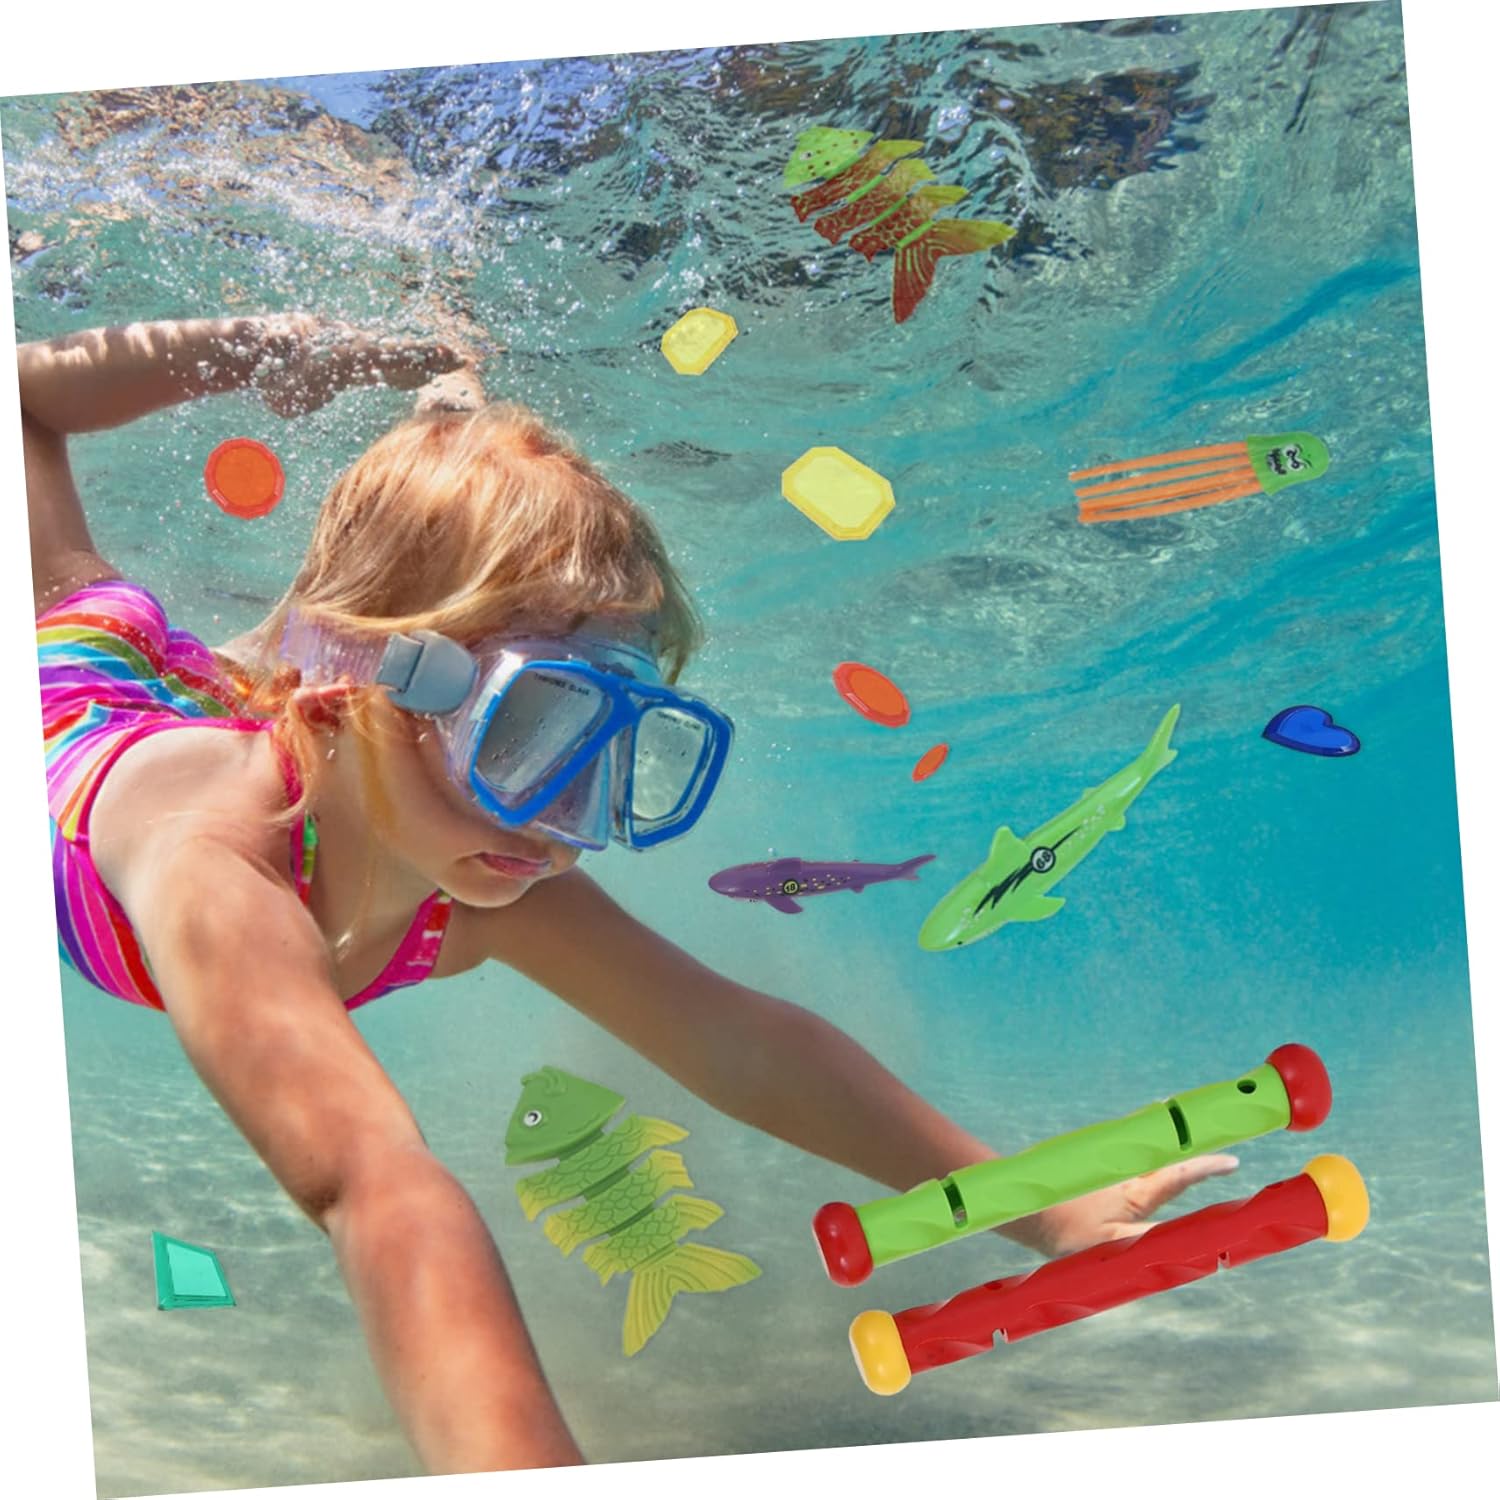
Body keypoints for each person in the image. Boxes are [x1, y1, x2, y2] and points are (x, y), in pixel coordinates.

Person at [20, 313, 1236, 1475]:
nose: (563, 821)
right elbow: (376, 1182)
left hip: (311, 699)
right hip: (87, 695)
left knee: (314, 653)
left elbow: (742, 1043)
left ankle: (447, 440)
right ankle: (358, 364)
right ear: (372, 683)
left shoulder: (484, 871)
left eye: (614, 755)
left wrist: (1046, 1206)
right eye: (531, 733)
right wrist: (294, 356)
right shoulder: (214, 865)